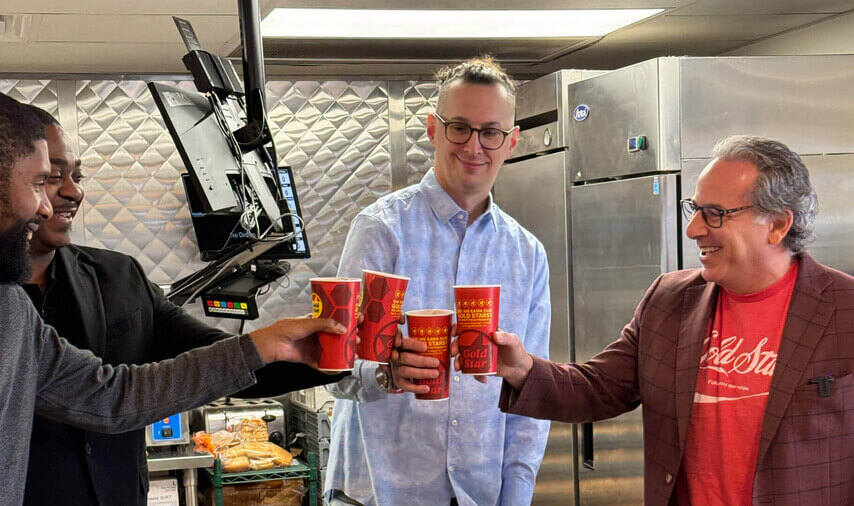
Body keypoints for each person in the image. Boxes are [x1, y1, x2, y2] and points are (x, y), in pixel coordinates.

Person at [477, 135, 854, 505]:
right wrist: (521, 369)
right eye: (694, 209)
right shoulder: (670, 300)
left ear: (777, 224)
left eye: (715, 213)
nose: (694, 228)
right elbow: (600, 387)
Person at [0, 92, 346, 505]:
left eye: (75, 176)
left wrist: (282, 347)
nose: (58, 198)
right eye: (45, 179)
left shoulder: (28, 305)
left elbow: (114, 395)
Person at [324, 56, 552, 505]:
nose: (474, 146)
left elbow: (531, 395)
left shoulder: (527, 254)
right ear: (432, 129)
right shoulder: (381, 230)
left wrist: (516, 497)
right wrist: (387, 375)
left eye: (491, 132)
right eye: (459, 127)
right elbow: (335, 366)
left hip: (477, 494)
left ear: (512, 141)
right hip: (379, 493)